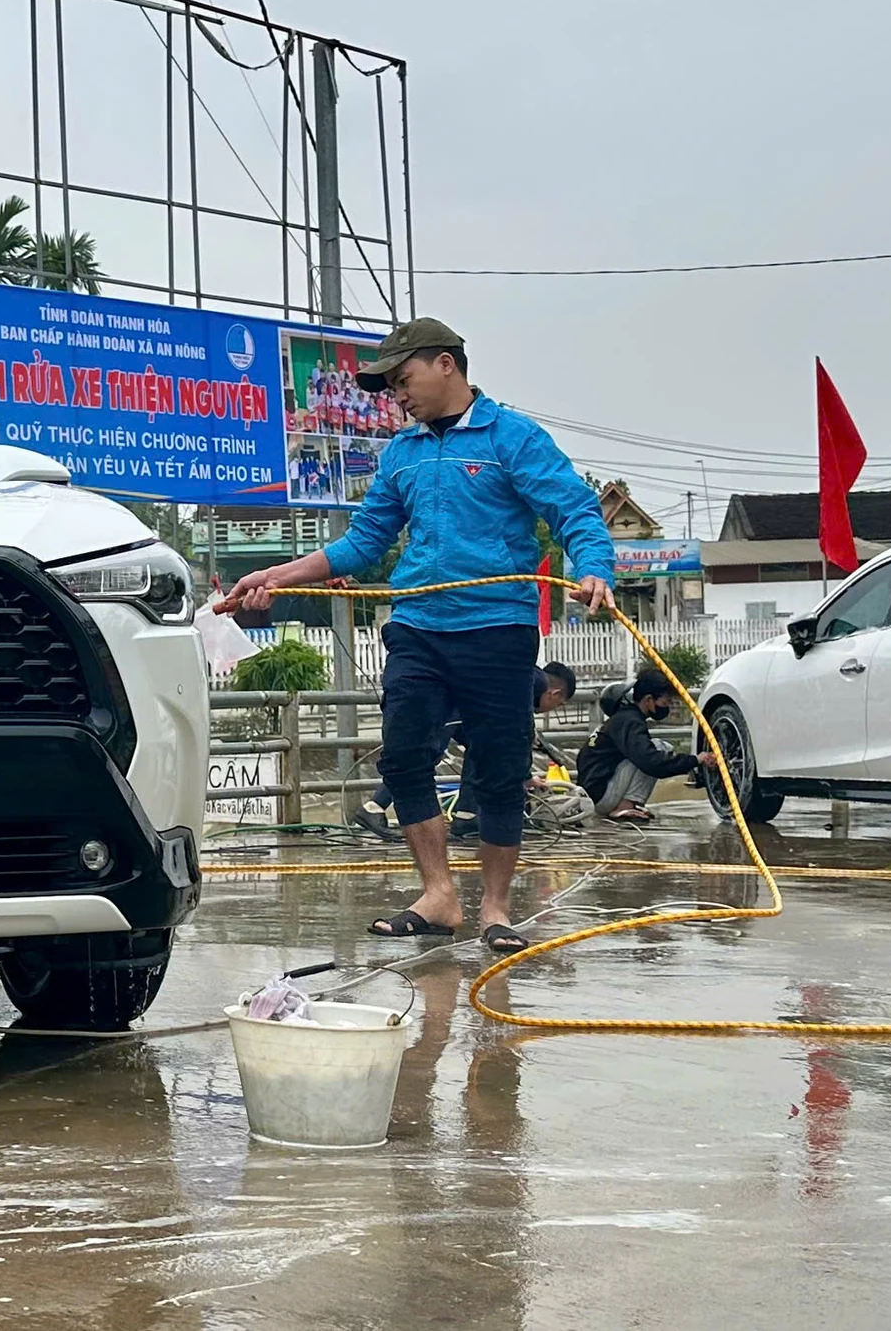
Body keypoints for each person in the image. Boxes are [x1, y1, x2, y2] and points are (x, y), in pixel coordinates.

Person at [220, 318, 615, 954]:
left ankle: (495, 909)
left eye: (403, 380)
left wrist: (594, 567)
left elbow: (574, 509)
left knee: (499, 769)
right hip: (417, 626)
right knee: (404, 758)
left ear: (446, 364)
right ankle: (439, 896)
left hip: (497, 627)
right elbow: (363, 542)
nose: (398, 397)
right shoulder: (401, 453)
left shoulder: (511, 437)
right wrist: (277, 575)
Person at [353, 661, 582, 843]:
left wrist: (524, 774)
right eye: (558, 704)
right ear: (554, 693)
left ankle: (466, 816)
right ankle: (374, 807)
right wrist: (524, 775)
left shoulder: (524, 671)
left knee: (478, 746)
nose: (551, 709)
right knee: (423, 757)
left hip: (457, 699)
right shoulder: (532, 681)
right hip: (450, 700)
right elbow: (519, 734)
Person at [576, 667, 721, 823]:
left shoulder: (623, 719)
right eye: (665, 702)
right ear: (649, 700)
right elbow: (652, 762)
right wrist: (695, 760)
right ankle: (625, 807)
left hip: (593, 795)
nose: (667, 707)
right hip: (600, 798)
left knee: (653, 749)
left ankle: (626, 805)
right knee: (657, 749)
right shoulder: (630, 722)